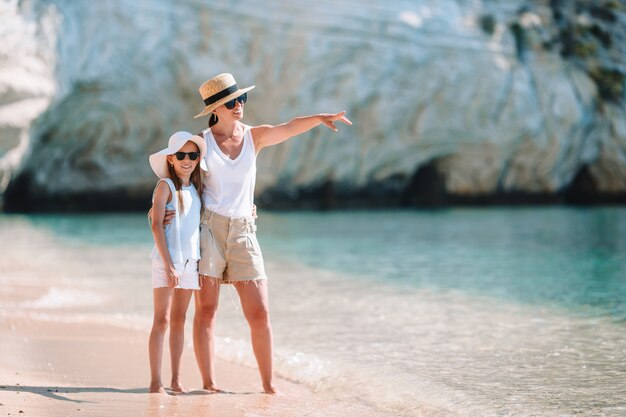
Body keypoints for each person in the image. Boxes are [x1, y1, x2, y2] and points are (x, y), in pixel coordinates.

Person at [163, 73, 351, 394]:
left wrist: (319, 118)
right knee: (207, 311)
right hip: (207, 229)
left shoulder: (254, 137)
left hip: (244, 232)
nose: (240, 106)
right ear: (216, 108)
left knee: (260, 312)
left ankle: (268, 385)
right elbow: (177, 175)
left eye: (242, 99)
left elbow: (288, 127)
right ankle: (209, 383)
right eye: (233, 101)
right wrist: (169, 214)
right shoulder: (200, 143)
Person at [147, 131, 207, 394]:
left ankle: (176, 379)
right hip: (166, 261)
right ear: (170, 159)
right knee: (162, 320)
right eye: (181, 155)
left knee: (180, 321)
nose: (187, 160)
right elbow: (156, 227)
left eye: (193, 155)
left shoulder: (196, 188)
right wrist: (169, 264)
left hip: (191, 263)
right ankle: (155, 381)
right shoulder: (164, 186)